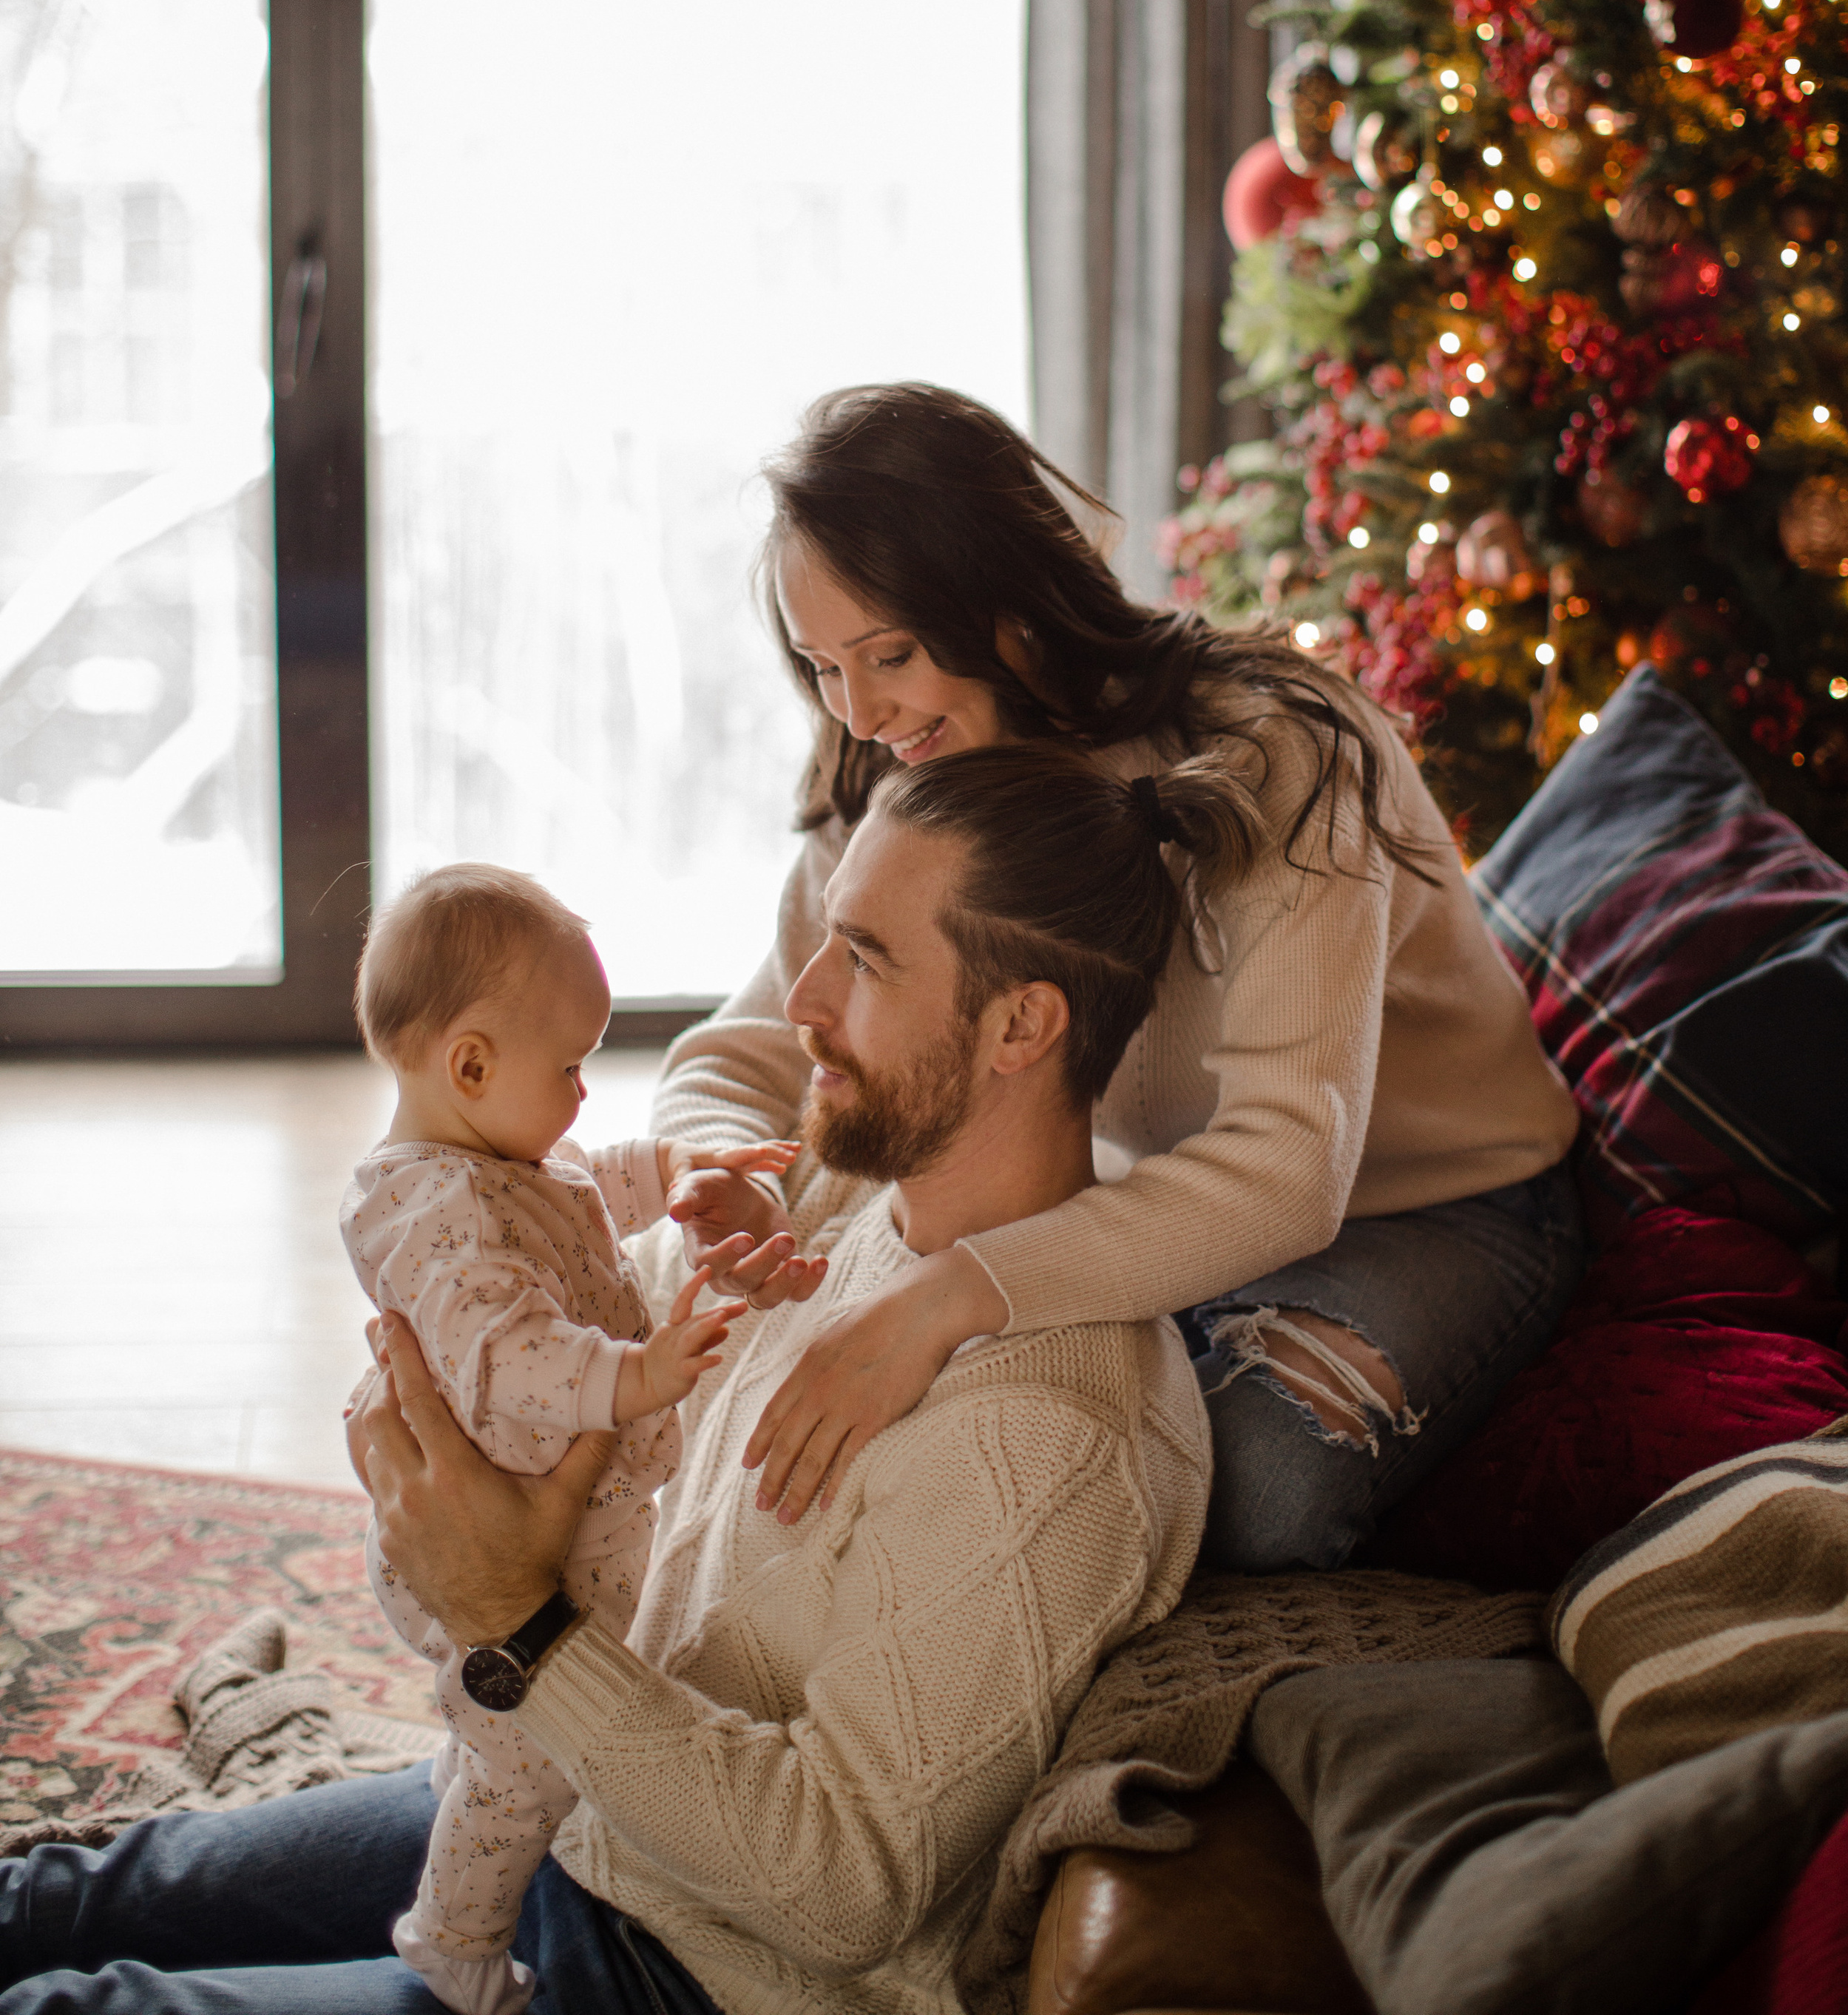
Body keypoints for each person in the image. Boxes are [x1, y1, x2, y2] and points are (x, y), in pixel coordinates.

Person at [0, 748, 1216, 2015]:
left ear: (1023, 1022)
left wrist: (521, 1623)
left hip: (683, 1970)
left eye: (863, 958)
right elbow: (567, 1272)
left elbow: (841, 1887)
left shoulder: (1048, 1438)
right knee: (74, 1897)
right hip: (576, 1797)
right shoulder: (862, 1201)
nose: (800, 999)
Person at [659, 382, 1585, 1571]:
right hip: (1141, 1205)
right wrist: (711, 1168)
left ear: (1012, 603)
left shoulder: (1278, 753)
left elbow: (1291, 1172)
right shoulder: (899, 764)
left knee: (1250, 1492)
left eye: (889, 653)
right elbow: (747, 1049)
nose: (862, 710)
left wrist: (950, 1297)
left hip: (1430, 1207)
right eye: (822, 665)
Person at [340, 864, 801, 2015]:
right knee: (530, 1762)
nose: (587, 1091)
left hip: (563, 1526)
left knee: (515, 1726)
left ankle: (473, 1752)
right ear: (472, 1066)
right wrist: (637, 1375)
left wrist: (685, 1171)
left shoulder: (493, 1157)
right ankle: (455, 1940)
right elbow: (507, 1356)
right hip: (504, 1541)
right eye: (574, 1065)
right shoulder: (436, 1218)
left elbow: (584, 1185)